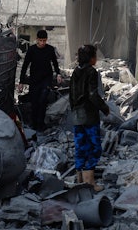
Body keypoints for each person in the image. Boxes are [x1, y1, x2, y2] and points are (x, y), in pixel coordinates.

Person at [69, 44, 110, 192]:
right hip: (89, 116)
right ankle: (90, 182)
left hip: (77, 116)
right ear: (91, 58)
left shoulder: (75, 72)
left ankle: (80, 180)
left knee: (80, 147)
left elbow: (71, 95)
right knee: (94, 148)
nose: (96, 58)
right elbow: (93, 94)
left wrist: (74, 109)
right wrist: (104, 108)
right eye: (95, 56)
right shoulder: (91, 72)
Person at [18, 29, 62, 131]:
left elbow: (55, 63)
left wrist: (58, 74)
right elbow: (25, 66)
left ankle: (41, 124)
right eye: (40, 40)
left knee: (42, 100)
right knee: (34, 102)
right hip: (34, 79)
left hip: (46, 78)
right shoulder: (32, 50)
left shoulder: (50, 49)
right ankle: (34, 124)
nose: (42, 43)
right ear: (37, 39)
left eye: (44, 40)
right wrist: (21, 81)